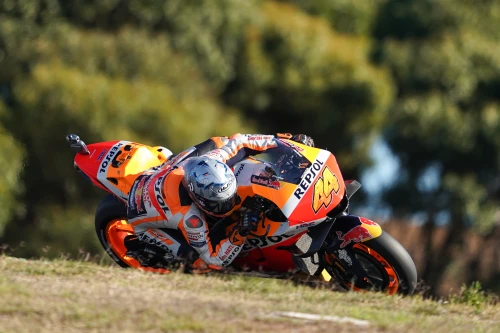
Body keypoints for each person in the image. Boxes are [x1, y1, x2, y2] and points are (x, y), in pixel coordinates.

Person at [125, 133, 314, 272]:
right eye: (218, 205)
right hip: (144, 215)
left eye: (230, 197)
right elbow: (214, 258)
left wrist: (282, 143)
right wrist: (241, 231)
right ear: (198, 200)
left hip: (167, 172)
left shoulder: (212, 159)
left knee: (220, 142)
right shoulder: (190, 218)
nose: (230, 205)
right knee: (200, 265)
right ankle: (148, 254)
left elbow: (240, 141)